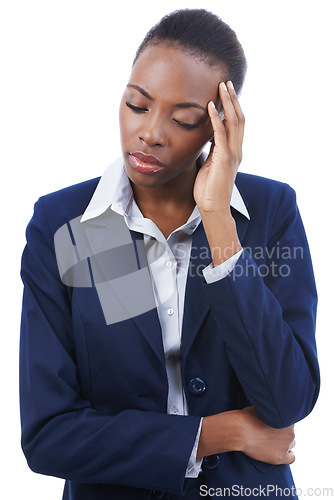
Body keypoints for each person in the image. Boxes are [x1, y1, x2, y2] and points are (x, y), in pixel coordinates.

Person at [19, 8, 320, 500]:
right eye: (137, 105)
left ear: (219, 128)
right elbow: (48, 434)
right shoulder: (69, 225)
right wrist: (219, 434)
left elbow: (285, 399)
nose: (151, 133)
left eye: (182, 119)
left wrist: (218, 217)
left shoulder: (270, 211)